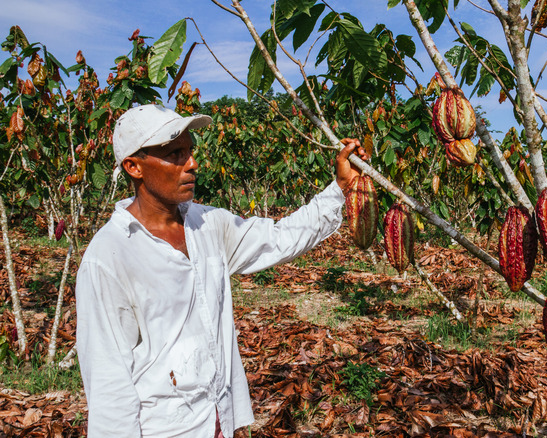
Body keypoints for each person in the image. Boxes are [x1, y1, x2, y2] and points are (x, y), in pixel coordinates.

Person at [75, 103, 366, 437]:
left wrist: (340, 188)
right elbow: (109, 380)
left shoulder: (208, 225)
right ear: (133, 166)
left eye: (190, 151)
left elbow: (280, 238)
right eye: (174, 154)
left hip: (216, 420)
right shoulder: (109, 257)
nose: (192, 164)